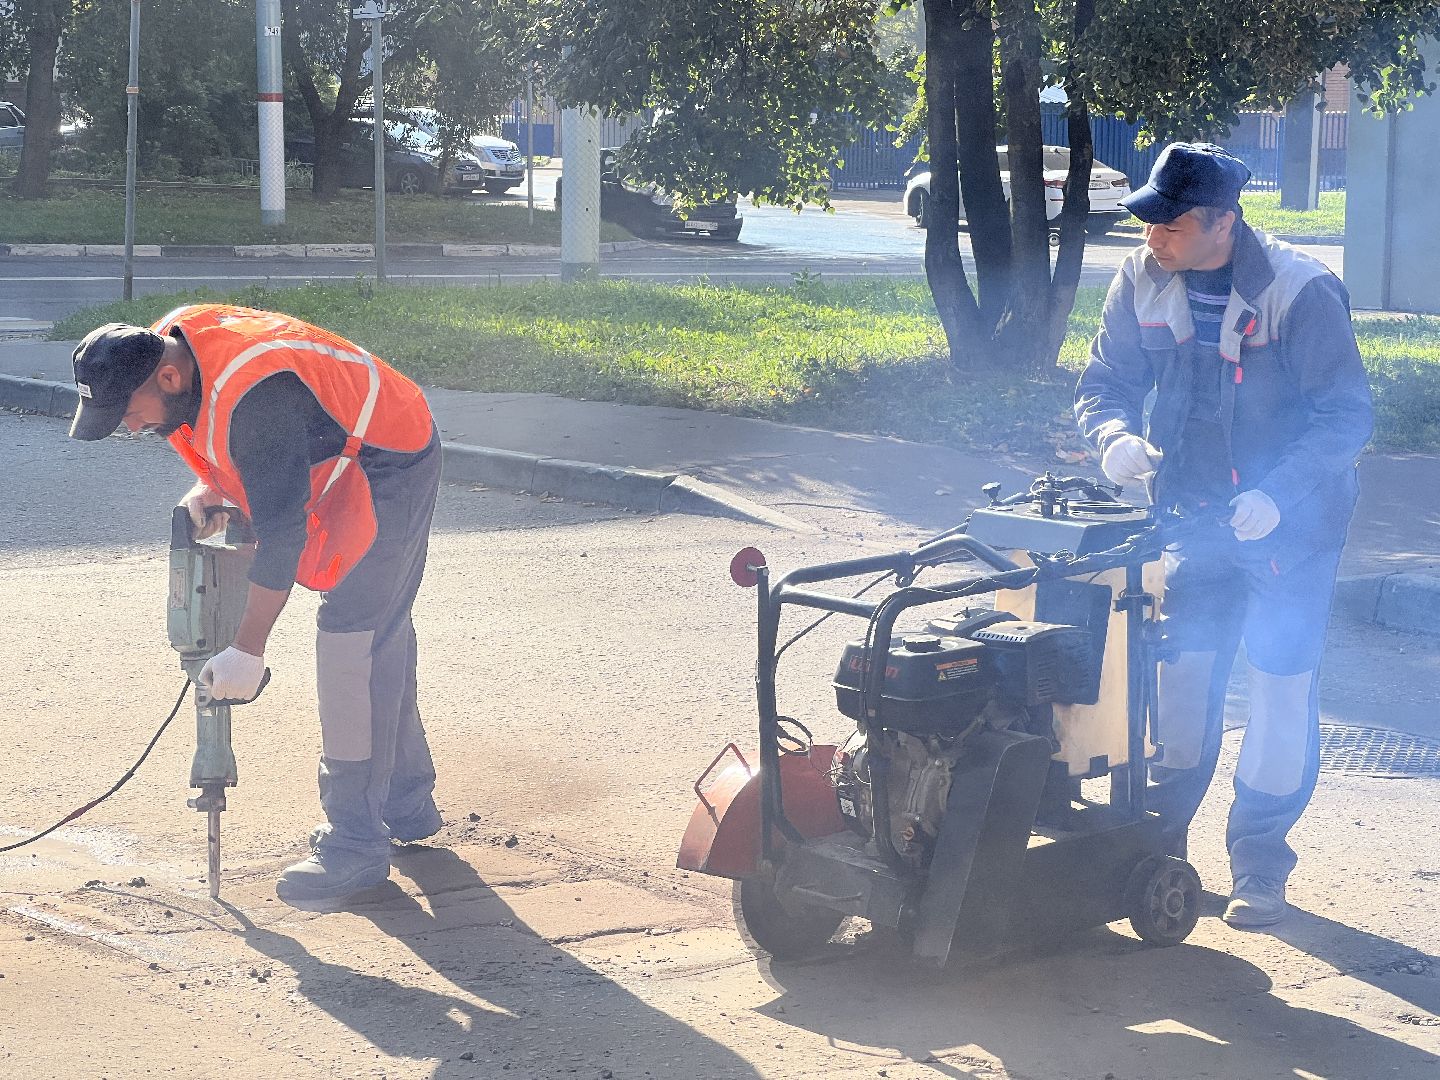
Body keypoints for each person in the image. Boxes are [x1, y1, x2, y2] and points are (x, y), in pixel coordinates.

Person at [1074, 143, 1373, 929]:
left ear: (1222, 223)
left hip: (1292, 534)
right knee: (1177, 685)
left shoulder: (1300, 292)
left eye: (1168, 223)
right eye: (1147, 221)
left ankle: (1261, 866)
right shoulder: (1138, 280)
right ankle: (1154, 852)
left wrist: (1278, 497)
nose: (1152, 237)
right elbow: (1105, 385)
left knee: (1278, 691)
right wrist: (1111, 438)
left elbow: (1347, 416)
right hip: (1191, 519)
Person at [68, 304, 444, 911]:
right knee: (377, 633)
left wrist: (247, 648)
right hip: (331, 440)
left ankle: (354, 843)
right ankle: (405, 803)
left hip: (387, 456)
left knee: (354, 639)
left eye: (128, 413)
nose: (130, 428)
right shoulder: (171, 351)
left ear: (166, 378)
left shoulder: (256, 398)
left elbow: (282, 533)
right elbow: (217, 436)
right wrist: (212, 483)